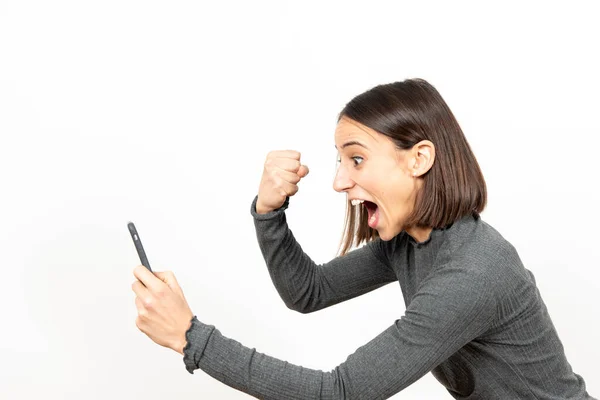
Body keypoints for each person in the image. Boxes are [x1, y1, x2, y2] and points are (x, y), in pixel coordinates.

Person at [131, 78, 595, 399]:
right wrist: (269, 212)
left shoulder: (474, 272)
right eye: (340, 161)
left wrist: (192, 339)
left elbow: (342, 392)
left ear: (419, 159)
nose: (338, 182)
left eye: (356, 160)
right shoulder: (413, 241)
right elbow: (308, 292)